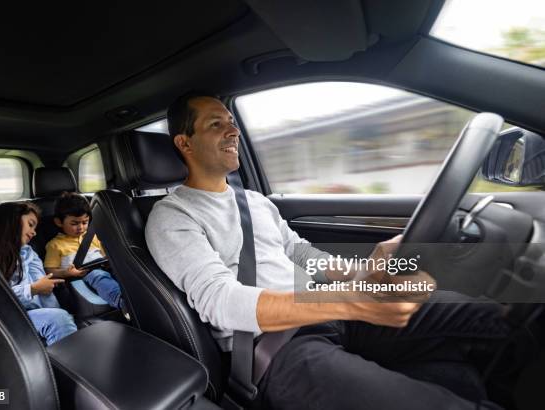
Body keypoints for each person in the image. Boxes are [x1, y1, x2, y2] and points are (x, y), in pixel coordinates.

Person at [145, 91, 510, 409]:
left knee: (491, 316)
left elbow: (300, 253)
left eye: (232, 121)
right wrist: (348, 300)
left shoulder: (254, 201)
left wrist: (362, 270)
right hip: (279, 348)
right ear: (185, 143)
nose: (234, 130)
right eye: (215, 124)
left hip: (332, 313)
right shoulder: (173, 215)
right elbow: (220, 300)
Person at [0, 202, 78, 345]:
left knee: (61, 317)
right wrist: (32, 289)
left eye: (35, 227)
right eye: (30, 224)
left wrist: (58, 311)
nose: (34, 232)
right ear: (13, 221)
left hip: (31, 313)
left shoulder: (29, 253)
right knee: (58, 319)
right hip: (5, 315)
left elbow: (44, 289)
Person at [44, 192, 124, 311]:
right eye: (74, 223)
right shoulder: (55, 245)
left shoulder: (93, 237)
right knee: (98, 275)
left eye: (85, 222)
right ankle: (121, 302)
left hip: (103, 270)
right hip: (80, 278)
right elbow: (49, 271)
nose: (81, 227)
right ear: (59, 222)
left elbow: (105, 256)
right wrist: (67, 273)